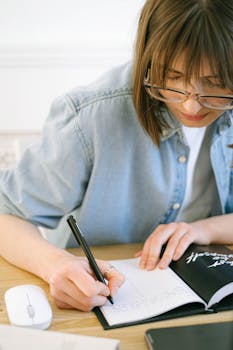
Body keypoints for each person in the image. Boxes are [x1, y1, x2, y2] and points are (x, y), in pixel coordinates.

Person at [1, 0, 233, 312]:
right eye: (173, 77)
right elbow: (7, 215)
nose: (191, 106)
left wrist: (204, 229)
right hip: (99, 307)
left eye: (216, 83)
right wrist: (55, 265)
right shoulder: (91, 115)